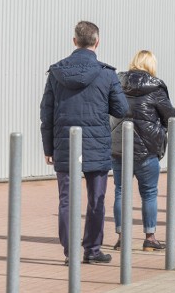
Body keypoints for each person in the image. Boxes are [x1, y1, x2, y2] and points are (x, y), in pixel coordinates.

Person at [41, 21, 128, 265]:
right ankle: (92, 249)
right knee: (96, 198)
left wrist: (48, 147)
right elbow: (122, 109)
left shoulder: (57, 73)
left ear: (74, 41)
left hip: (64, 143)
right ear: (97, 42)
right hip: (97, 143)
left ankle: (71, 252)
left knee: (67, 198)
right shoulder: (107, 74)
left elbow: (46, 112)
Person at [111, 50, 175, 251]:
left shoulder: (117, 83)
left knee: (121, 191)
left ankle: (122, 238)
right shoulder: (156, 87)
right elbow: (170, 116)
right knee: (149, 193)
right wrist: (160, 132)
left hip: (119, 146)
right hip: (147, 148)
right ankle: (150, 237)